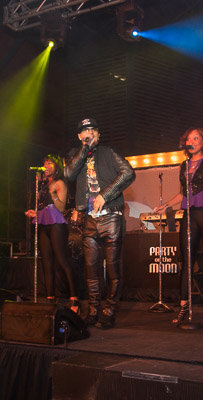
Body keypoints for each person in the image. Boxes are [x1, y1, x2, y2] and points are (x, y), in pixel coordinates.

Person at [154, 128, 203, 326]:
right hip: (190, 214)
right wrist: (166, 205)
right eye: (189, 138)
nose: (192, 141)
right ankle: (183, 307)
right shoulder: (184, 164)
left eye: (196, 138)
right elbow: (183, 193)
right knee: (187, 261)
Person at [65, 118, 136, 329]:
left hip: (111, 217)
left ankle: (109, 310)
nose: (89, 133)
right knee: (91, 269)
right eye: (84, 131)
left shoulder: (108, 152)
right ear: (79, 136)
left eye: (92, 130)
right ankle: (93, 310)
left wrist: (105, 195)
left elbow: (128, 172)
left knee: (113, 268)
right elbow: (68, 174)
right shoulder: (76, 155)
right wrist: (84, 148)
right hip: (89, 219)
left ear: (98, 134)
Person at [25, 154, 79, 312]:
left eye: (50, 163)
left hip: (56, 224)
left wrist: (53, 193)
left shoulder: (60, 182)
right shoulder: (42, 184)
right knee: (46, 263)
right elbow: (44, 206)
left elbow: (61, 207)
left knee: (62, 261)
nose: (46, 166)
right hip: (43, 223)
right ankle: (50, 299)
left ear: (57, 167)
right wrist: (35, 212)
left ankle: (74, 300)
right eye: (45, 163)